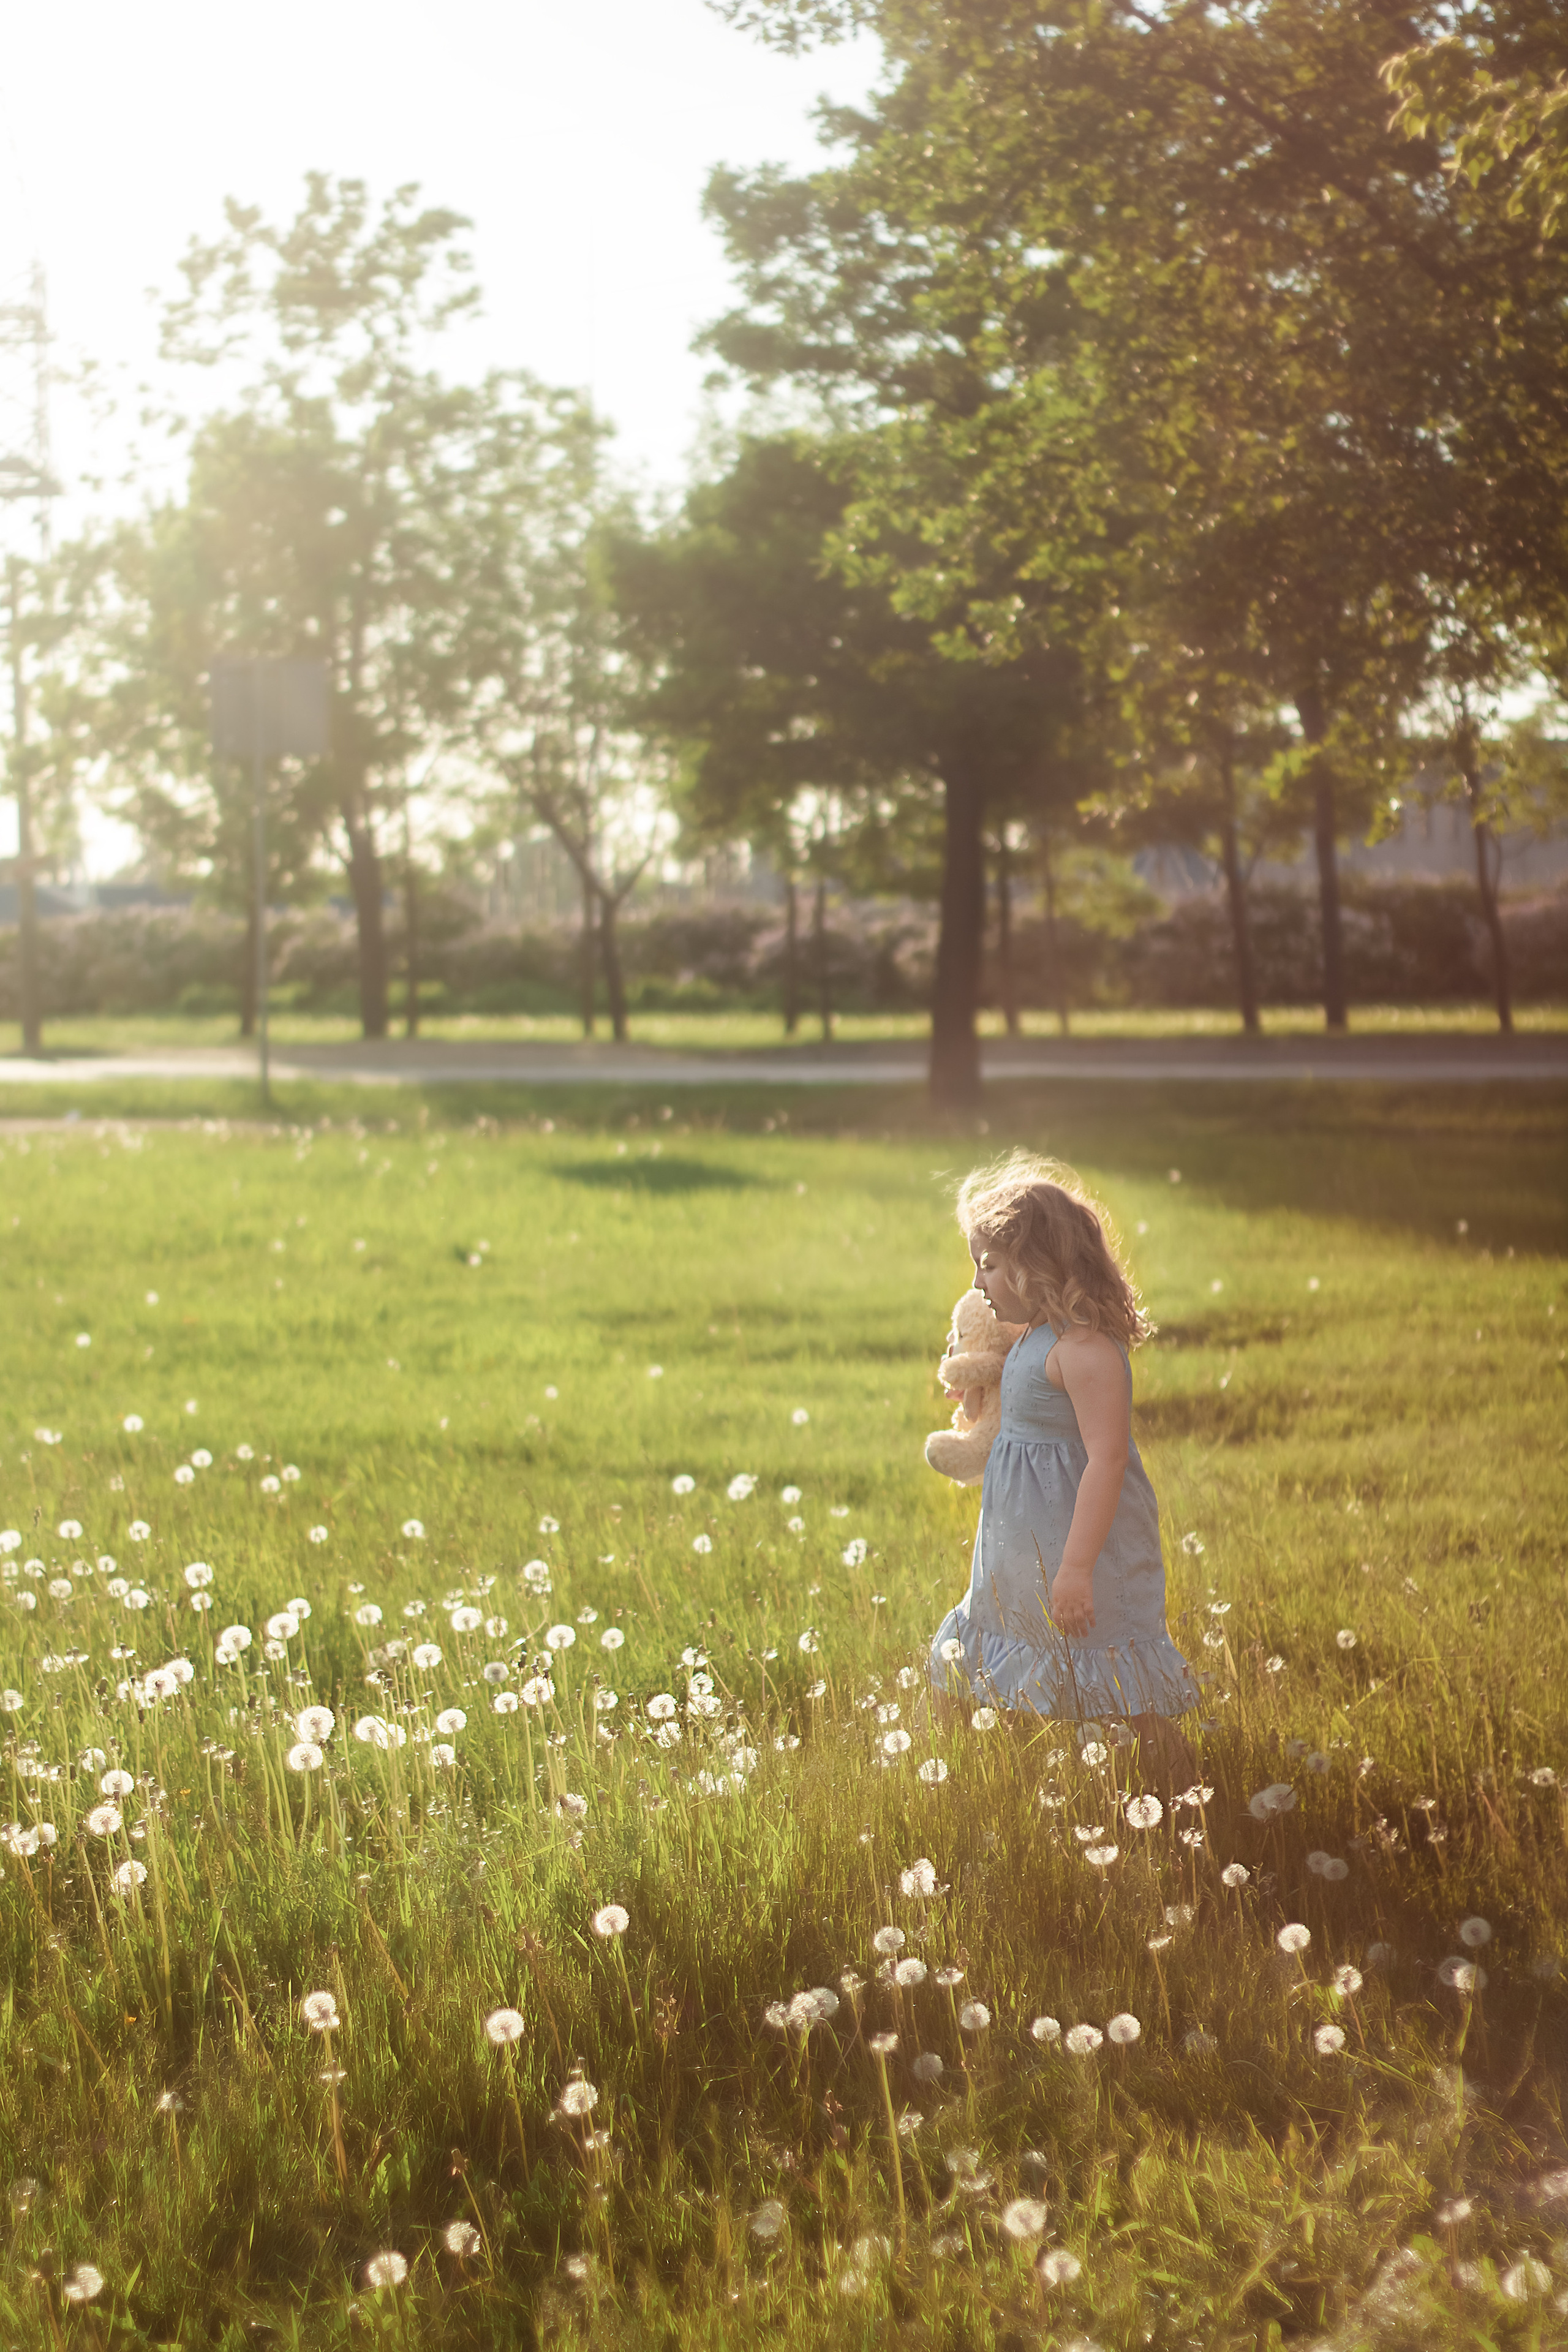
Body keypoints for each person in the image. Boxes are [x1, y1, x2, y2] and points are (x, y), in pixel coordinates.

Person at [928, 1152, 1200, 1787]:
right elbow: (1015, 1414)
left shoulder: (1084, 1351)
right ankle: (950, 1780)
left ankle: (1185, 1786)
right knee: (974, 1650)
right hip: (1022, 1543)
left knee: (1115, 1679)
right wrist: (976, 1399)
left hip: (1077, 1546)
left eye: (989, 1265)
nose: (978, 1283)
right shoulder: (1028, 1335)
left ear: (1035, 1263)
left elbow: (1106, 1461)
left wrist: (1076, 1570)